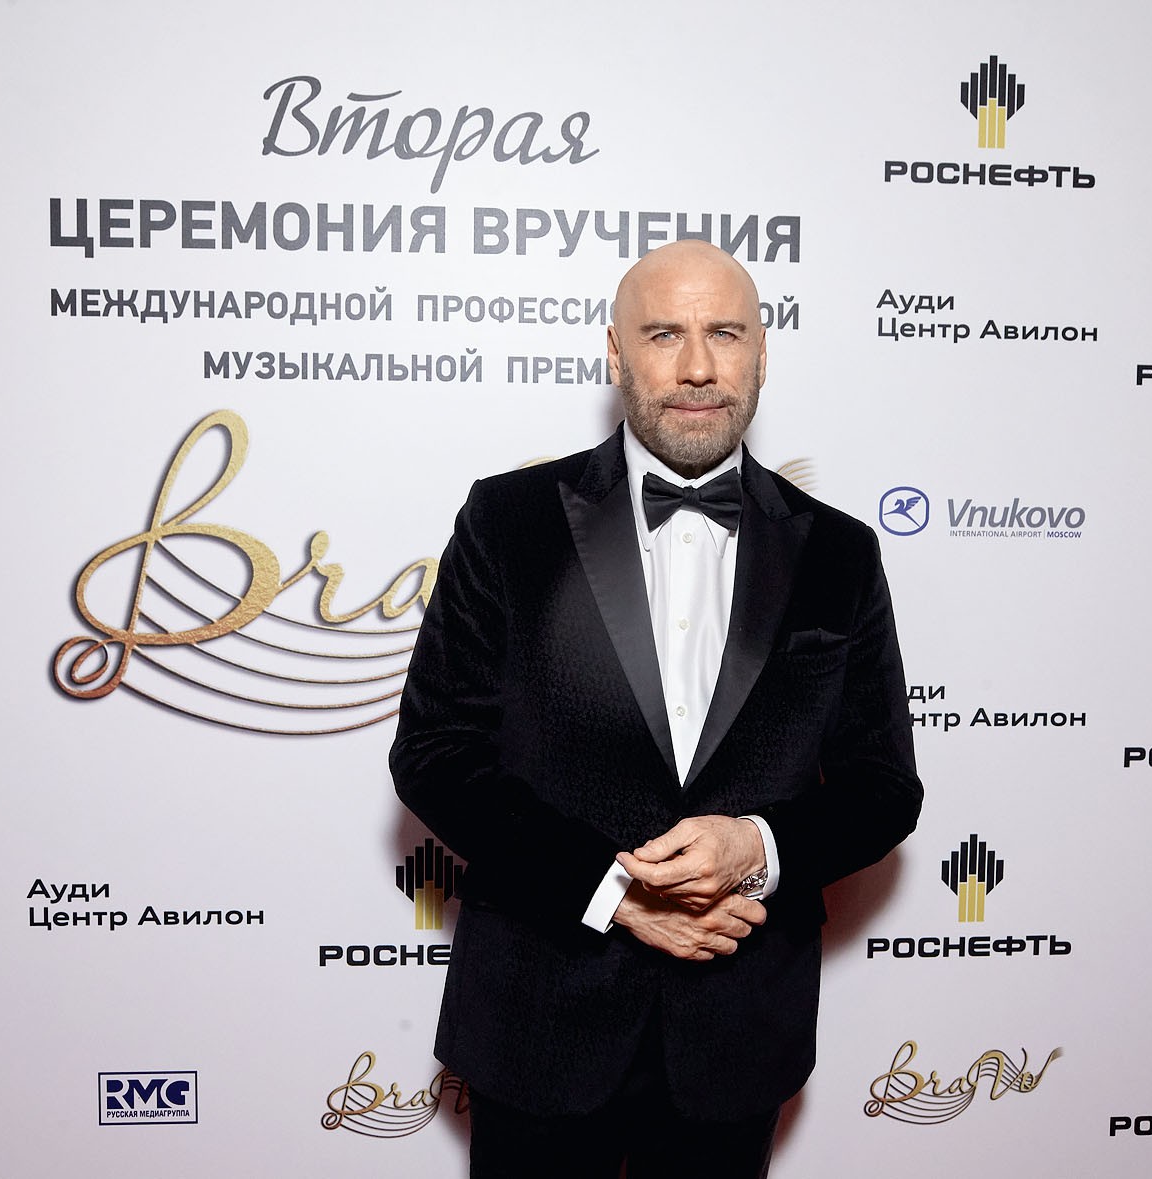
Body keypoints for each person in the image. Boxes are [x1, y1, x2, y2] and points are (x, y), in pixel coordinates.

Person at [390, 240, 923, 1177]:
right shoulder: (509, 521)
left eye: (726, 333)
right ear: (615, 353)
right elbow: (436, 752)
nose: (698, 366)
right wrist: (616, 892)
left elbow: (883, 788)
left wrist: (756, 845)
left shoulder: (839, 553)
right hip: (539, 1021)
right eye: (664, 333)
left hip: (736, 1033)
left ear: (763, 353)